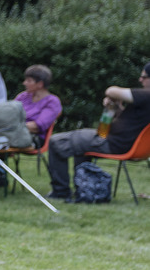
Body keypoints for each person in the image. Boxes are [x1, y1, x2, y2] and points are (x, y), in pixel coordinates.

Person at [46, 63, 150, 201]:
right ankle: (84, 190)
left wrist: (115, 95)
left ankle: (60, 191)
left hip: (114, 143)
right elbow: (128, 123)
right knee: (80, 146)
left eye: (144, 77)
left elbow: (111, 91)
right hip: (116, 140)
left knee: (56, 141)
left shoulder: (147, 95)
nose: (140, 80)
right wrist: (116, 108)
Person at [15, 64, 62, 146]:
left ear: (40, 84)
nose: (24, 83)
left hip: (34, 137)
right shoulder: (23, 96)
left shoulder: (52, 101)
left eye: (29, 81)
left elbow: (37, 127)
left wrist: (9, 127)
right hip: (13, 133)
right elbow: (9, 114)